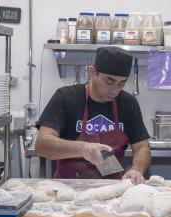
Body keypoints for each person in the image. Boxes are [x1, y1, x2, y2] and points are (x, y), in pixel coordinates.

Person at [35, 46, 150, 184]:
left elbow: (142, 147)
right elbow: (42, 145)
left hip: (111, 187)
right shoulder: (66, 97)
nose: (114, 91)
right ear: (92, 71)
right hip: (67, 186)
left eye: (121, 84)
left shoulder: (128, 103)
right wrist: (84, 149)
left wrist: (137, 169)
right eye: (109, 81)